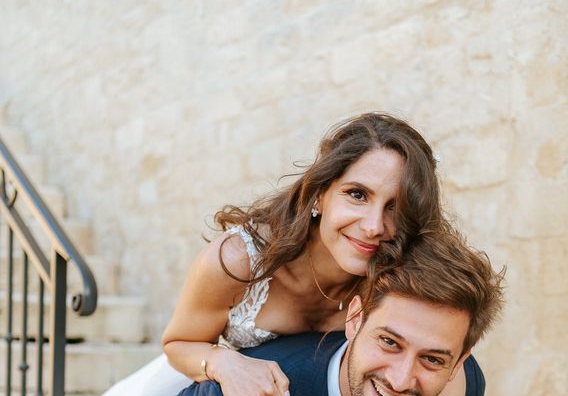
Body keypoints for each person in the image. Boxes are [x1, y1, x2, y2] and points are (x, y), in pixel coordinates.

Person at [105, 112, 457, 396]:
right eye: (357, 195)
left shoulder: (400, 277)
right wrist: (224, 364)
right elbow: (179, 343)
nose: (373, 226)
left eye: (396, 207)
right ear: (319, 194)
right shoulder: (236, 261)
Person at [177, 225, 505, 396]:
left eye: (432, 359)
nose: (401, 380)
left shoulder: (467, 383)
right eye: (390, 342)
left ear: (459, 362)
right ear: (354, 319)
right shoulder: (245, 392)